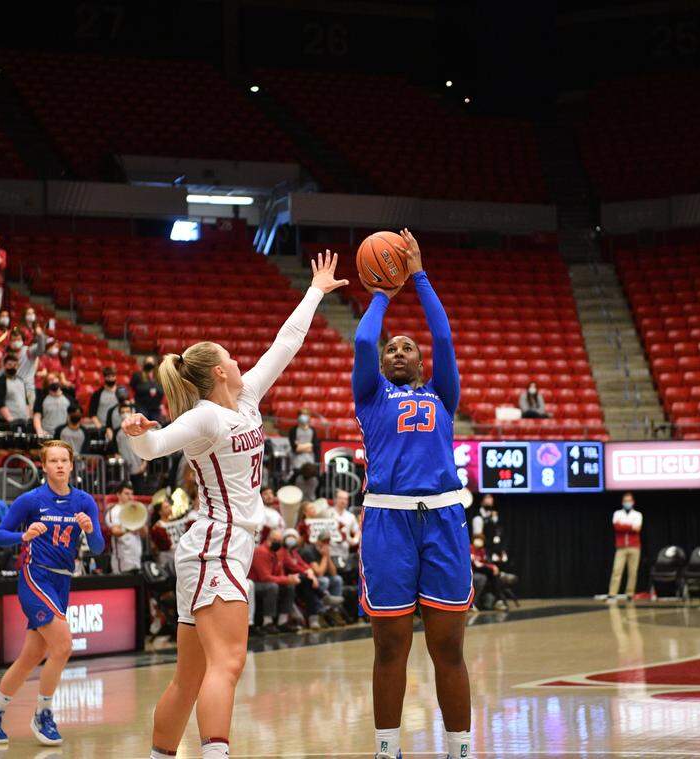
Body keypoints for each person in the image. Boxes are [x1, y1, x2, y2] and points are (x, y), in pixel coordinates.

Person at [121, 251, 345, 759]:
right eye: (235, 359)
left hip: (224, 547)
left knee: (192, 674)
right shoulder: (204, 418)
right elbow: (156, 447)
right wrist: (136, 434)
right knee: (226, 664)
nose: (244, 363)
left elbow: (285, 344)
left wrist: (315, 291)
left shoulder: (245, 401)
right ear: (221, 371)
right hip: (215, 546)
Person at [352, 229, 472, 759]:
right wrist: (383, 289)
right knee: (390, 648)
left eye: (408, 348)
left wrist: (419, 276)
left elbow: (444, 340)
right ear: (381, 365)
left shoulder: (441, 395)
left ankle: (460, 749)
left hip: (443, 519)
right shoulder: (371, 397)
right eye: (392, 348)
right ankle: (387, 750)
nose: (398, 350)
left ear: (421, 366)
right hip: (387, 524)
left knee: (448, 647)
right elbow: (361, 341)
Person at [0, 440, 105, 746]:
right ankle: (43, 713)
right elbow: (0, 535)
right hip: (35, 577)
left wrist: (90, 530)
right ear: (44, 466)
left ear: (71, 465)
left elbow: (98, 548)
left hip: (62, 582)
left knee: (32, 654)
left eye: (64, 460)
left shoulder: (84, 502)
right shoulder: (31, 500)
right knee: (63, 645)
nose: (59, 465)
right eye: (53, 461)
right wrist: (24, 534)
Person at [249, 532, 302, 633]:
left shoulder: (277, 552)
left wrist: (288, 579)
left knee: (289, 586)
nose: (277, 543)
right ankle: (267, 622)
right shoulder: (261, 551)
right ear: (268, 539)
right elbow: (265, 577)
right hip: (256, 583)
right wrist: (286, 579)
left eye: (279, 541)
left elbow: (279, 573)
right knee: (272, 587)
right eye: (274, 540)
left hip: (268, 582)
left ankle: (283, 621)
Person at [106, 482, 147, 574]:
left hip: (136, 558)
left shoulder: (134, 510)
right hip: (122, 560)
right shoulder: (114, 511)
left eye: (131, 494)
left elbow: (144, 534)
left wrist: (141, 519)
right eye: (126, 493)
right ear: (118, 495)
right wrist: (130, 527)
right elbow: (115, 532)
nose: (130, 497)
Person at [608, 492, 642, 600]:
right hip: (621, 547)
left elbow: (637, 528)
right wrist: (631, 526)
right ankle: (612, 594)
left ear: (633, 502)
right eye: (625, 501)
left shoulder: (637, 514)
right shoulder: (617, 513)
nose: (628, 503)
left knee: (633, 571)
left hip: (634, 547)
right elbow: (617, 527)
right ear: (623, 502)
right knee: (617, 570)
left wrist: (625, 525)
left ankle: (630, 594)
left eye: (629, 501)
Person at [131, 355, 165, 422]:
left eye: (151, 362)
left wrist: (162, 405)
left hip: (155, 407)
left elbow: (162, 391)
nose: (150, 364)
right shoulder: (138, 375)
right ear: (144, 364)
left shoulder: (159, 376)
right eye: (148, 362)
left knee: (156, 427)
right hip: (142, 407)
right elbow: (131, 388)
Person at [287, 409, 320, 475]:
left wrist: (300, 446)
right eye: (302, 415)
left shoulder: (312, 430)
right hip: (297, 461)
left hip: (310, 461)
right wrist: (309, 444)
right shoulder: (293, 430)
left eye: (306, 415)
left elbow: (315, 446)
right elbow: (295, 448)